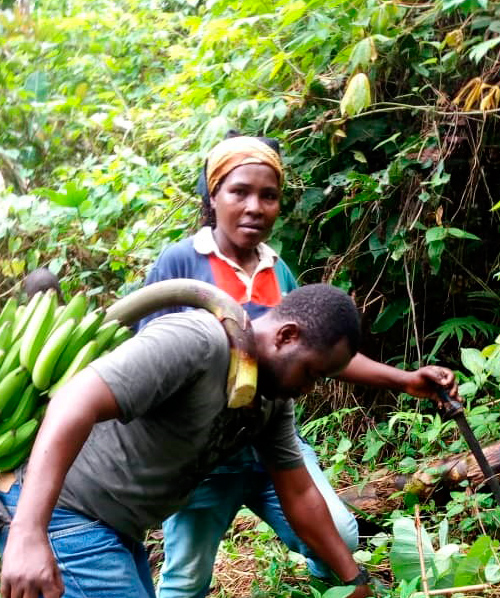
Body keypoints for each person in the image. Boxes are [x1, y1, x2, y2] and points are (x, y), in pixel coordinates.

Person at [137, 134, 459, 598]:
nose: (254, 207)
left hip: (272, 444)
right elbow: (149, 358)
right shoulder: (181, 261)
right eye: (239, 192)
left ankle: (326, 587)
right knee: (187, 578)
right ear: (213, 195)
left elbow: (319, 353)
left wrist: (406, 380)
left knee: (339, 540)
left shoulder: (277, 269)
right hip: (202, 458)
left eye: (268, 196)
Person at [0, 283, 371, 598]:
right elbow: (73, 400)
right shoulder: (198, 341)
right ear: (286, 336)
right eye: (311, 373)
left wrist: (355, 578)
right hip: (65, 516)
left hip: (119, 531)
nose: (308, 389)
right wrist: (28, 532)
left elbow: (300, 494)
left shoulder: (271, 400)